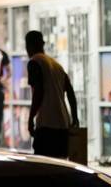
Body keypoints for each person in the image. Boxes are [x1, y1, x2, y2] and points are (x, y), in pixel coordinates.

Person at [26, 30, 79, 158]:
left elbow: (38, 92)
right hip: (63, 125)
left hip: (46, 125)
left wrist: (30, 118)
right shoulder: (56, 65)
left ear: (29, 45)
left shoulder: (34, 62)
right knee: (60, 165)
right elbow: (71, 92)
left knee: (43, 166)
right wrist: (74, 117)